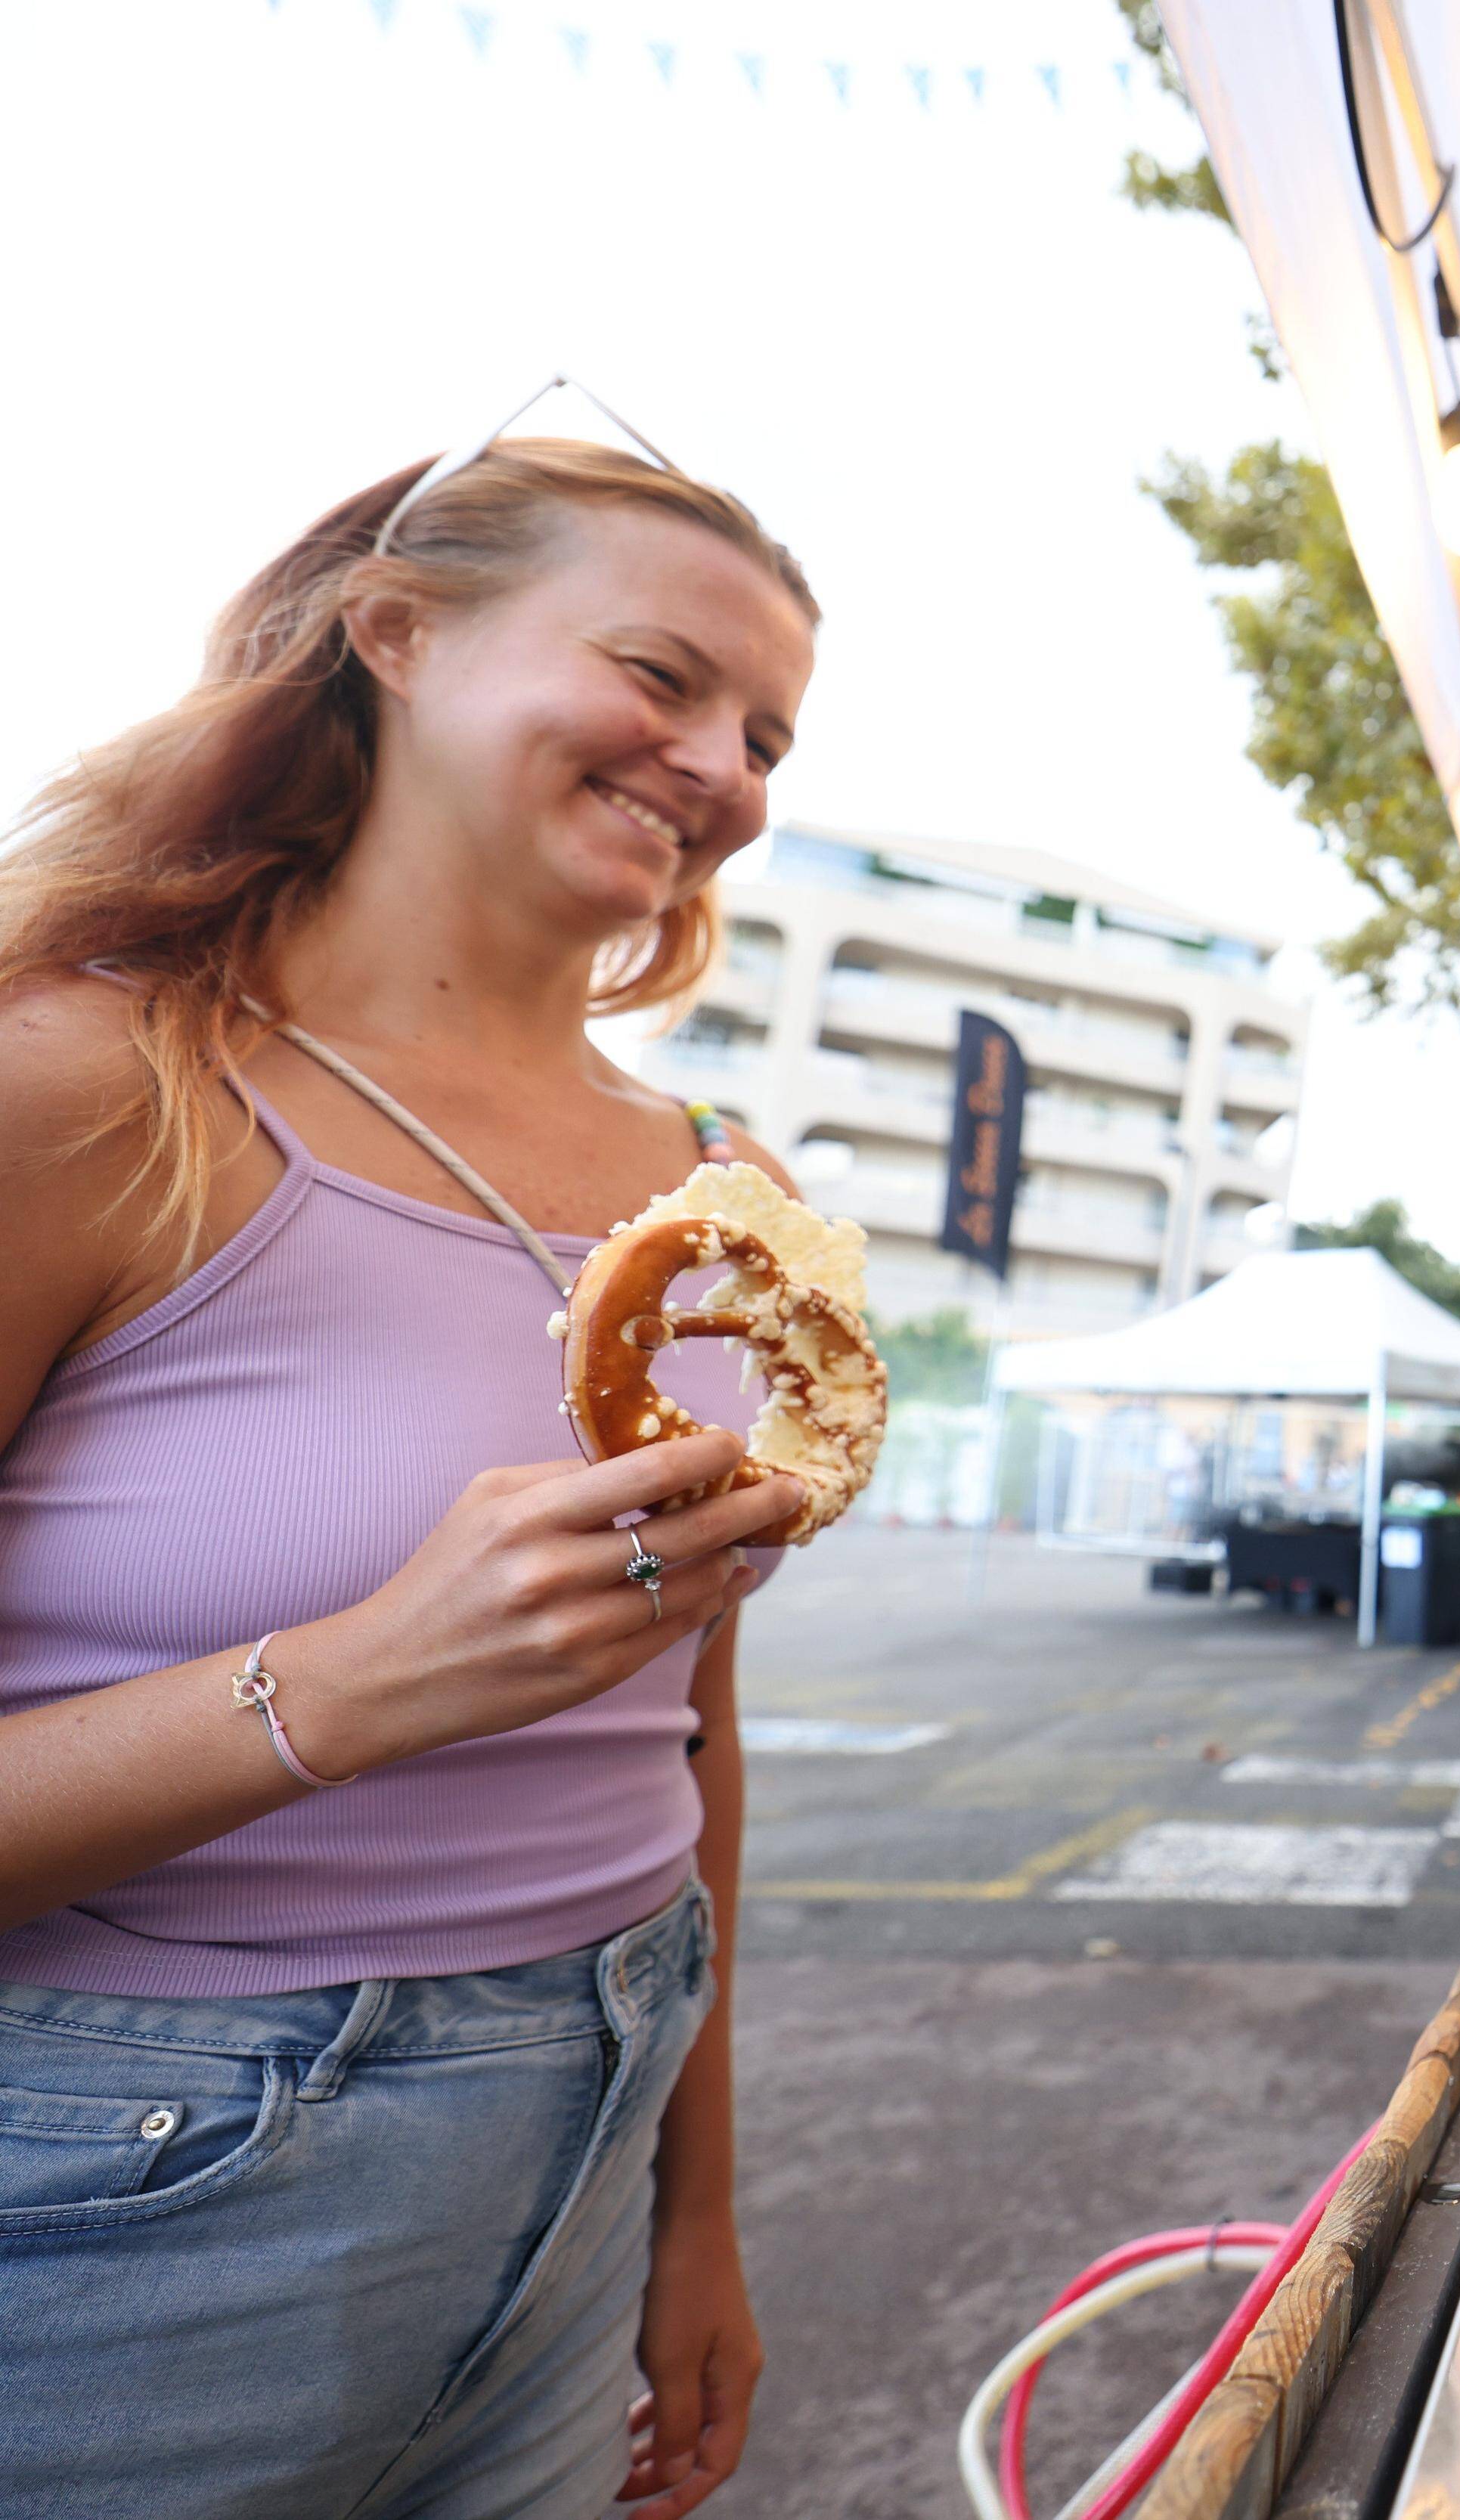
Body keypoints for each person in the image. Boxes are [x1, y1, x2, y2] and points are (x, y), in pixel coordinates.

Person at [0, 426, 819, 2518]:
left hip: (595, 2139)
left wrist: (695, 2209)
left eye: (765, 734)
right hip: (139, 2187)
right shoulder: (88, 1085)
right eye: (662, 676)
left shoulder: (721, 1191)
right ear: (396, 630)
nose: (720, 767)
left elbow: (691, 1730)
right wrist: (352, 1681)